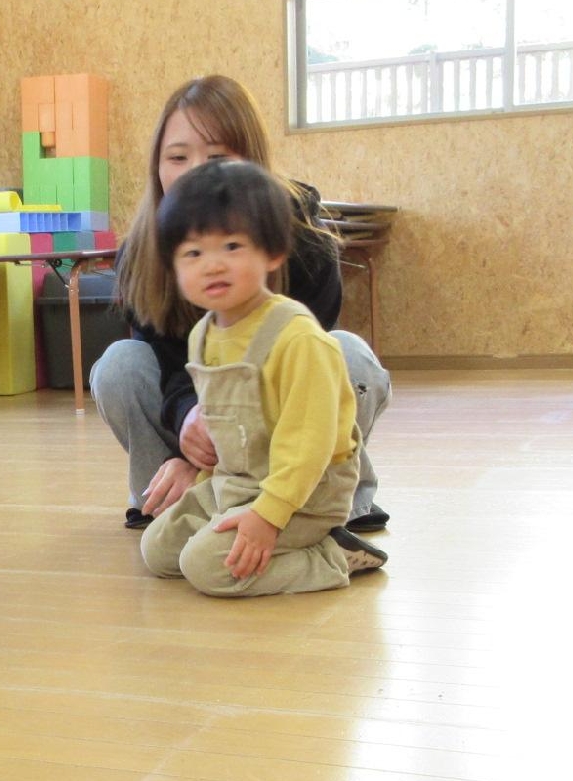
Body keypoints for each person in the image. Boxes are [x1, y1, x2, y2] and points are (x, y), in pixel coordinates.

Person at [92, 74, 390, 531]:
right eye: (177, 157)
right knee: (119, 365)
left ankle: (333, 508)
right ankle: (171, 500)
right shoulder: (141, 255)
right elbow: (167, 363)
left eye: (217, 158)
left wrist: (228, 442)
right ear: (157, 165)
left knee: (349, 356)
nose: (194, 173)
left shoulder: (305, 241)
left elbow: (302, 383)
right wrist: (189, 428)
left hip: (283, 418)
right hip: (203, 428)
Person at [140, 160, 387, 598]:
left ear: (272, 252)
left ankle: (332, 555)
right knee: (157, 550)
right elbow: (225, 427)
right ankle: (255, 533)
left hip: (304, 493)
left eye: (232, 246)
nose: (212, 265)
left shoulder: (297, 338)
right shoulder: (202, 336)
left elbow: (308, 446)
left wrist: (269, 516)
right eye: (193, 253)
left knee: (206, 568)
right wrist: (205, 489)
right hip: (236, 482)